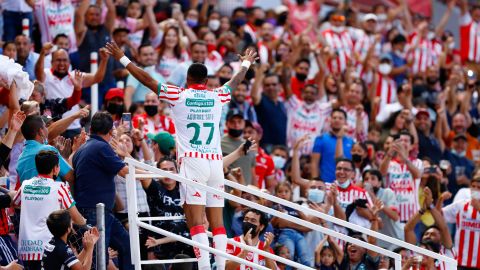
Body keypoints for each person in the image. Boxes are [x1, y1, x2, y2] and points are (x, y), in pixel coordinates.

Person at [105, 42, 257, 270]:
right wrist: (245, 62)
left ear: (187, 79)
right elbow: (235, 82)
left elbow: (147, 80)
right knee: (217, 222)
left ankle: (205, 267)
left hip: (193, 162)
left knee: (195, 221)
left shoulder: (180, 94)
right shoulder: (217, 96)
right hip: (215, 162)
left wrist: (123, 58)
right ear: (206, 82)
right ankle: (221, 265)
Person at [72, 112, 131, 270]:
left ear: (91, 128)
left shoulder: (83, 148)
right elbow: (125, 171)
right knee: (99, 261)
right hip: (94, 212)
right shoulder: (101, 147)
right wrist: (154, 174)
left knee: (126, 244)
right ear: (111, 132)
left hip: (99, 211)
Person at [12, 150, 87, 270]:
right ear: (55, 168)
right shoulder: (60, 188)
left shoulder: (25, 185)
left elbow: (15, 203)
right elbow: (76, 217)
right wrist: (86, 224)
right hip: (49, 248)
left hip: (27, 249)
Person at [380, 130, 422, 223]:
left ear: (411, 146)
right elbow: (382, 173)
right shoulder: (389, 162)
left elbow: (417, 175)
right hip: (392, 215)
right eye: (400, 140)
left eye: (406, 141)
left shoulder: (417, 162)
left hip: (412, 215)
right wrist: (389, 153)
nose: (402, 143)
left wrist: (404, 158)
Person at [16, 115, 74, 184]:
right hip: (54, 194)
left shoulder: (20, 158)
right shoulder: (48, 150)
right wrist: (73, 153)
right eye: (46, 126)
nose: (47, 129)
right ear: (41, 131)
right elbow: (71, 177)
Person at [442, 175, 480, 270]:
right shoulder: (461, 205)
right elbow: (440, 215)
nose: (475, 190)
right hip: (461, 262)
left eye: (479, 187)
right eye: (473, 186)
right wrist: (440, 200)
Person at [311, 109, 354, 183]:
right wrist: (315, 182)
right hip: (326, 183)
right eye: (334, 118)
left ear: (345, 122)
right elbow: (314, 163)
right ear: (330, 120)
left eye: (340, 118)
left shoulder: (351, 142)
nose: (337, 120)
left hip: (346, 184)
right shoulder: (321, 139)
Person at [125, 44, 165, 109]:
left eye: (151, 54)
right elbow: (128, 95)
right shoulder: (135, 74)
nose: (149, 57)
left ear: (156, 56)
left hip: (156, 112)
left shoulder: (160, 77)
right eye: (145, 55)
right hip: (140, 110)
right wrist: (130, 114)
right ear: (139, 57)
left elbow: (165, 101)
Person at [221, 109, 256, 185]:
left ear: (244, 124)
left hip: (247, 194)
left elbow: (253, 174)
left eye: (239, 122)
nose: (236, 125)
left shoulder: (249, 145)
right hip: (228, 192)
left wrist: (256, 193)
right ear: (226, 124)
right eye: (232, 122)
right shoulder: (219, 144)